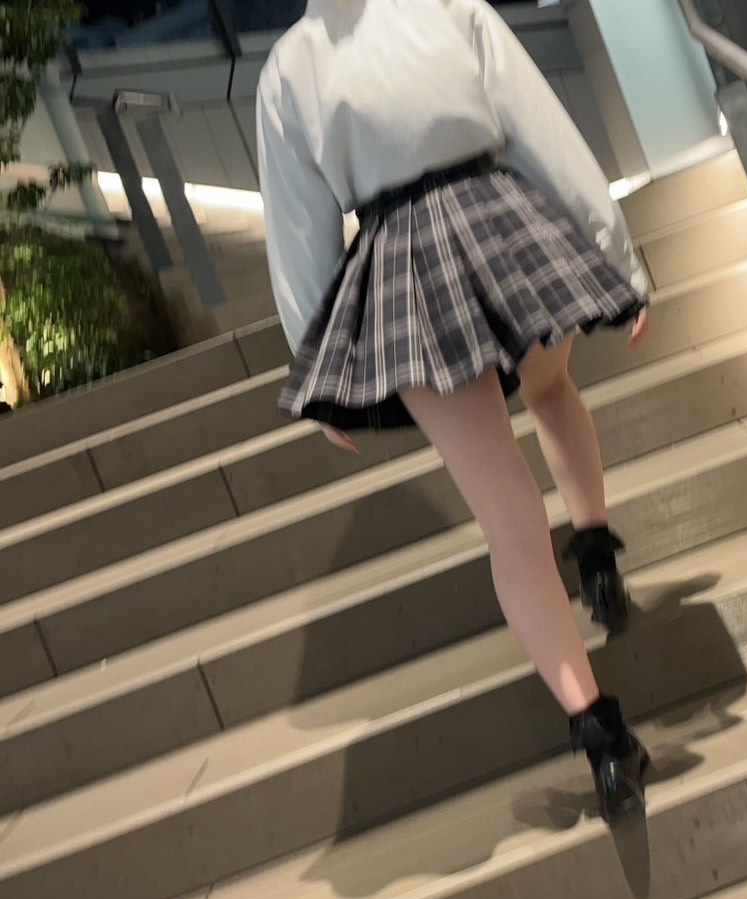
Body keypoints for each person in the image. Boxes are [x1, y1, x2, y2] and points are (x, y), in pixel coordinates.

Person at [256, 0, 651, 822]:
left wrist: (316, 356)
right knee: (543, 414)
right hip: (489, 225)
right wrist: (614, 250)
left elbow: (300, 229)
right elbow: (540, 130)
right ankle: (596, 575)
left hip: (419, 253)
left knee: (512, 501)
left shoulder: (296, 66)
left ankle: (601, 724)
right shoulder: (436, 11)